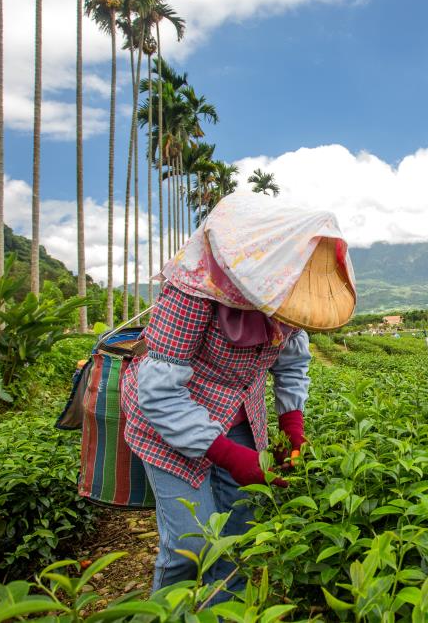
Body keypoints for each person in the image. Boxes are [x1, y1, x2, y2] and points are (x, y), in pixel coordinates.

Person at [120, 192, 356, 600]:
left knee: (239, 533)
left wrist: (291, 426)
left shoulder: (287, 295)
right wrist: (230, 456)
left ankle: (227, 608)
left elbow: (292, 364)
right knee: (192, 547)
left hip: (240, 416)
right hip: (168, 417)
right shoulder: (196, 288)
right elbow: (158, 392)